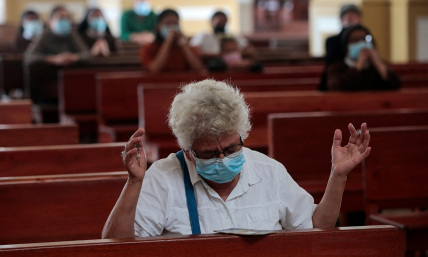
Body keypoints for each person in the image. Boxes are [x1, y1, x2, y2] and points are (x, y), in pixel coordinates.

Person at [102, 79, 371, 238]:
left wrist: (338, 176)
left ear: (242, 136)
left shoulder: (269, 171)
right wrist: (134, 184)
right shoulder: (163, 178)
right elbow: (115, 247)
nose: (222, 159)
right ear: (188, 152)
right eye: (209, 154)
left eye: (231, 149)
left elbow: (316, 228)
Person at [326, 24, 401, 91]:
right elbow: (337, 87)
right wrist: (359, 65)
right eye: (355, 40)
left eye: (365, 39)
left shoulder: (377, 66)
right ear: (346, 46)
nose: (361, 43)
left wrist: (378, 63)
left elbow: (395, 86)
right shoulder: (337, 67)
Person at [139, 9, 203, 73]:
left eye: (175, 24)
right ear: (158, 27)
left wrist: (183, 42)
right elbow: (154, 69)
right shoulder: (148, 48)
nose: (172, 28)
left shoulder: (187, 47)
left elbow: (198, 68)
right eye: (168, 24)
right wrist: (168, 42)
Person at [24, 5, 89, 67]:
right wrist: (54, 59)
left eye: (66, 18)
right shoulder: (44, 35)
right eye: (60, 18)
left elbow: (87, 55)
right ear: (50, 21)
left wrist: (73, 57)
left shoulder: (72, 34)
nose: (64, 21)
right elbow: (29, 57)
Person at [319, 4, 362, 91]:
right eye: (349, 18)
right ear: (342, 20)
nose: (352, 21)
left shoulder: (365, 38)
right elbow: (332, 62)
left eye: (354, 17)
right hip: (338, 82)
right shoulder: (333, 41)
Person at [190, 11, 255, 62]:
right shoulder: (203, 35)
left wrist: (234, 55)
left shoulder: (234, 36)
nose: (221, 24)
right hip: (211, 64)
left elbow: (249, 50)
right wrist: (221, 55)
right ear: (211, 21)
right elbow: (196, 52)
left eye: (224, 22)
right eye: (219, 22)